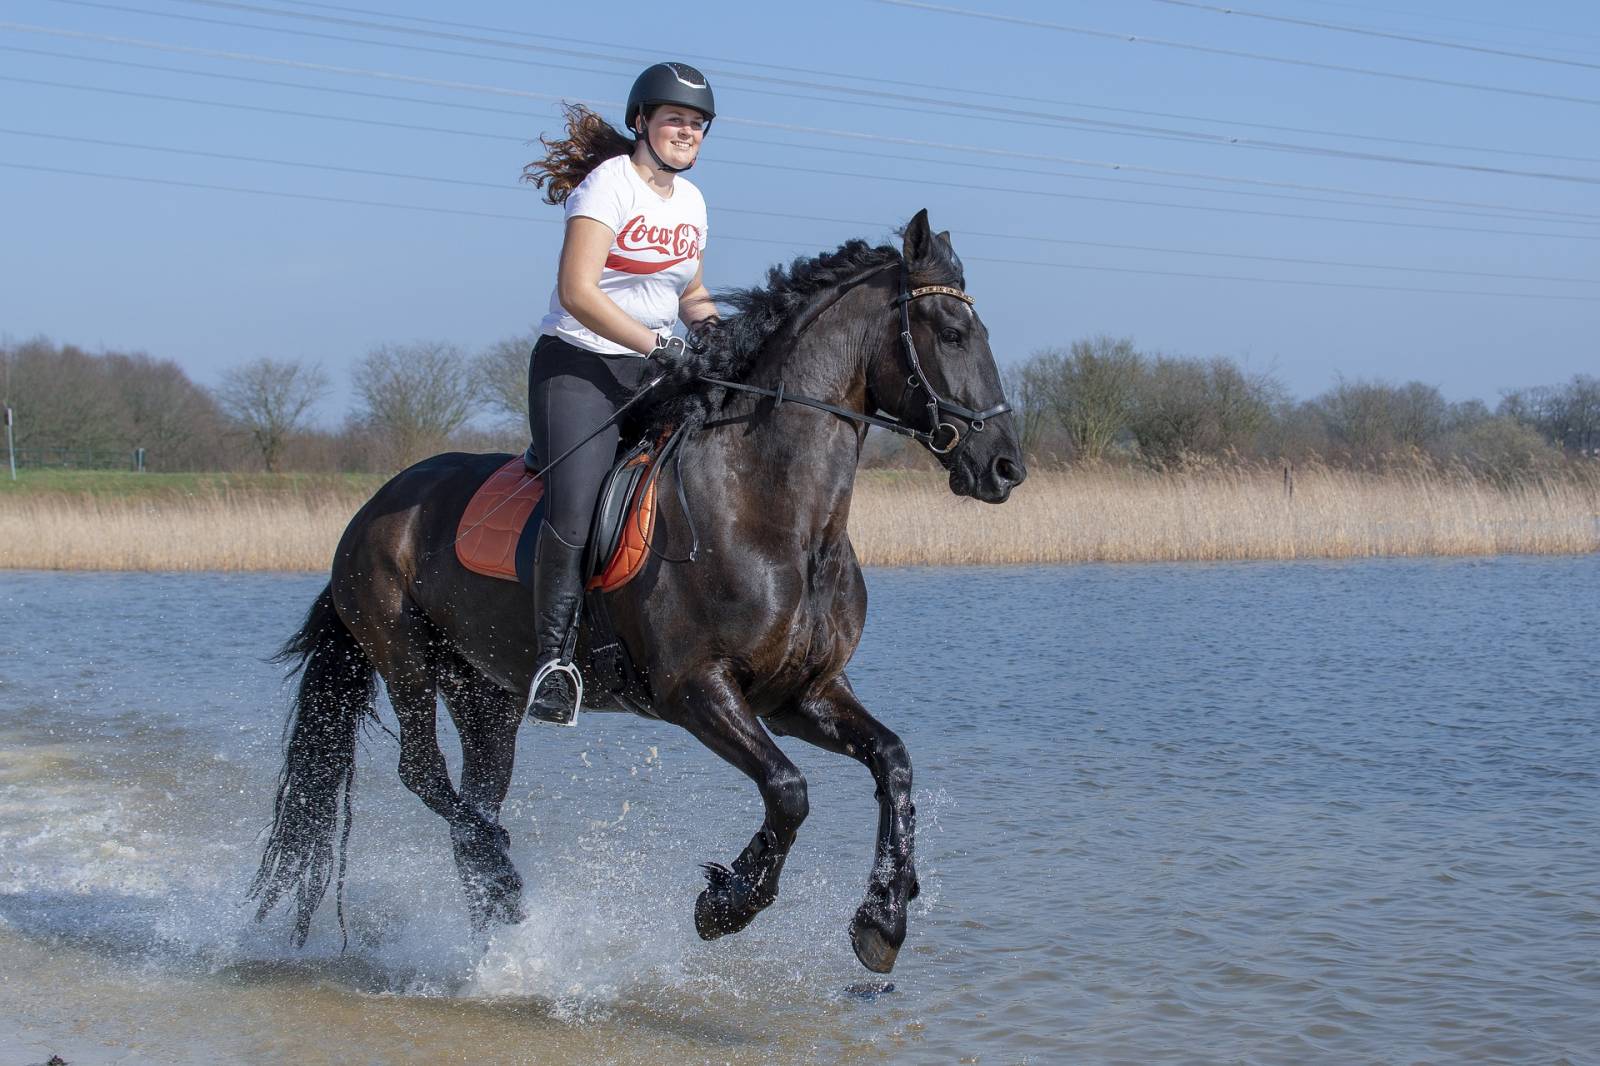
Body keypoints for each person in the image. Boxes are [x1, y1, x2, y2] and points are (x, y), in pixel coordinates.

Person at [518, 62, 720, 725]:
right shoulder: (608, 185)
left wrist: (718, 336)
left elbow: (688, 294)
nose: (686, 132)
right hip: (580, 365)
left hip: (651, 372)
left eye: (696, 124)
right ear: (642, 122)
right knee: (576, 508)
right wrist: (659, 346)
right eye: (674, 120)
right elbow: (579, 291)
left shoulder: (691, 203)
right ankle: (552, 664)